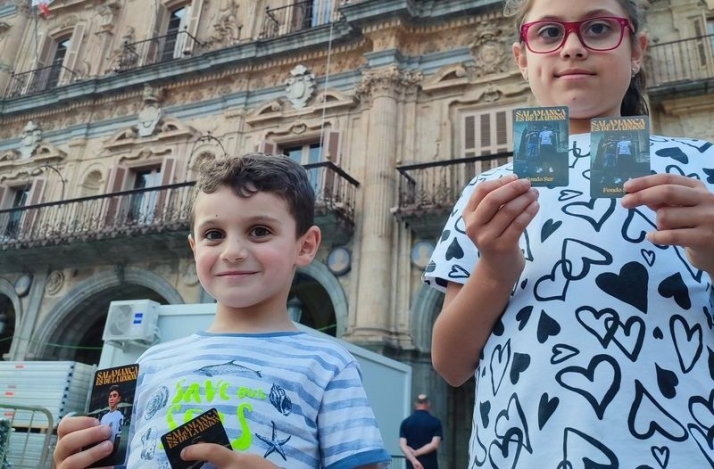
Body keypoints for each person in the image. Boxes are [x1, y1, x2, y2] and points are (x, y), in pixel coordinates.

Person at [426, 0, 714, 467]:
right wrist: (496, 270)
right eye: (549, 33)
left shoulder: (702, 166)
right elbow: (451, 364)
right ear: (522, 59)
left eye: (598, 28)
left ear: (637, 50)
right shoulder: (485, 191)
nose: (574, 47)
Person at [54, 154, 391, 469]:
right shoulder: (150, 363)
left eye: (260, 231)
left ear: (305, 245)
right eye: (214, 234)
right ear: (194, 247)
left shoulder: (329, 365)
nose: (232, 252)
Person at [399, 394, 443, 469]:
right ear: (428, 404)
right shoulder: (435, 422)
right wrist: (417, 453)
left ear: (415, 404)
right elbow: (434, 445)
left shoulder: (406, 422)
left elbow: (402, 445)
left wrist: (413, 460)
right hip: (429, 464)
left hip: (411, 465)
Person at [99, 385, 123, 456]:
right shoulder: (104, 417)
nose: (111, 398)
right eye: (110, 396)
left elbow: (118, 437)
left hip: (109, 451)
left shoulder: (119, 416)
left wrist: (113, 453)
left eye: (114, 396)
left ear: (119, 399)